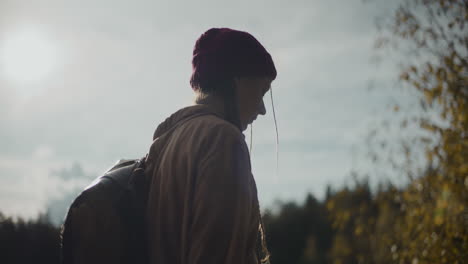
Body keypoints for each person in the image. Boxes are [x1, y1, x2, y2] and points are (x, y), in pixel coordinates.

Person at [144, 28, 277, 264]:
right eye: (262, 91)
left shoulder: (170, 139)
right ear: (238, 80)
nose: (262, 109)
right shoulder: (223, 140)